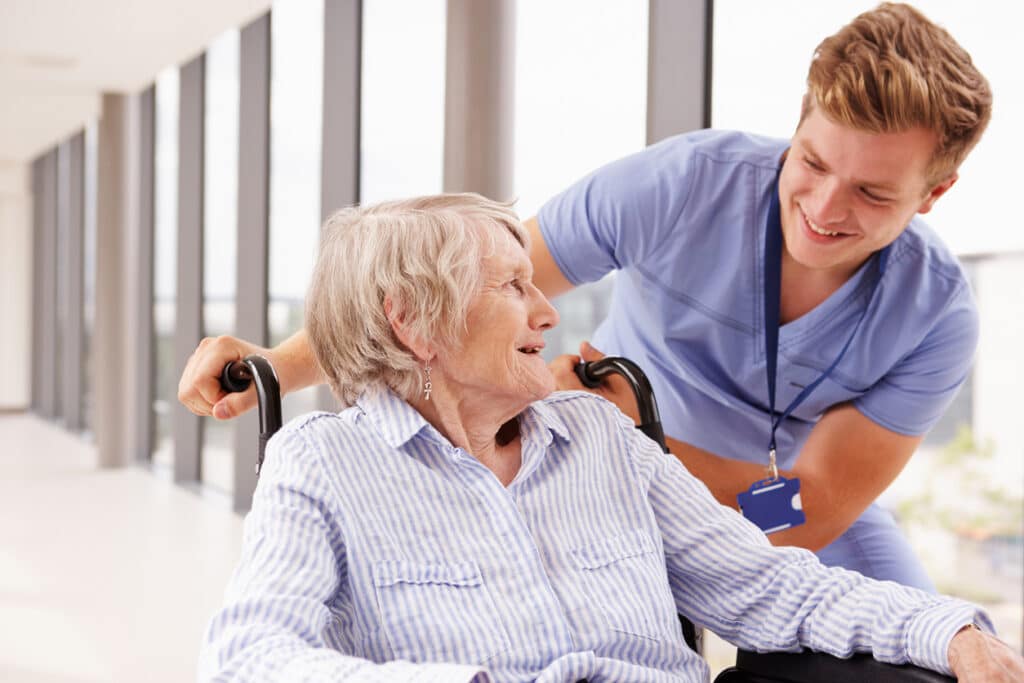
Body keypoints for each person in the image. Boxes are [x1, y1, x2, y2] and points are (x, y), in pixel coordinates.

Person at [180, 3, 989, 590]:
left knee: (927, 640)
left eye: (872, 195)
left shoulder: (937, 313)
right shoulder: (677, 187)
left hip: (757, 492)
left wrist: (643, 432)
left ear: (934, 194)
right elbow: (450, 293)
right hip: (607, 474)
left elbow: (806, 514)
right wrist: (276, 364)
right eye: (811, 162)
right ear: (799, 123)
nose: (823, 207)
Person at [199, 194, 1020, 682]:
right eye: (514, 288)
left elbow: (779, 565)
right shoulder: (325, 464)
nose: (550, 312)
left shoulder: (599, 431)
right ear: (413, 321)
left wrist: (951, 629)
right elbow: (249, 653)